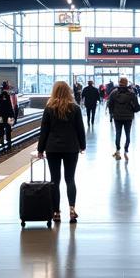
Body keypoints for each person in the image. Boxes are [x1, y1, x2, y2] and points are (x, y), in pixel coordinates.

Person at [36, 80, 86, 224]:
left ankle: (56, 212)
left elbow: (44, 131)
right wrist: (82, 145)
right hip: (71, 148)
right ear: (68, 91)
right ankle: (72, 209)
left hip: (53, 148)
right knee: (70, 179)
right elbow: (80, 129)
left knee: (54, 181)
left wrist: (40, 149)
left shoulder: (49, 108)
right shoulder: (75, 108)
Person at [107, 76, 140, 159]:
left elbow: (109, 104)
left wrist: (113, 113)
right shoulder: (131, 93)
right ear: (126, 83)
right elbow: (137, 107)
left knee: (118, 133)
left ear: (119, 83)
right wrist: (133, 110)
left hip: (117, 117)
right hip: (128, 117)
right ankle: (126, 151)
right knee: (127, 134)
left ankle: (118, 151)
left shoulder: (114, 93)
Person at [0, 82, 17, 151]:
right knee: (8, 129)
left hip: (0, 116)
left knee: (1, 128)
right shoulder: (8, 96)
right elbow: (11, 107)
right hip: (8, 116)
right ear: (7, 88)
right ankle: (9, 143)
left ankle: (1, 141)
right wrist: (13, 116)